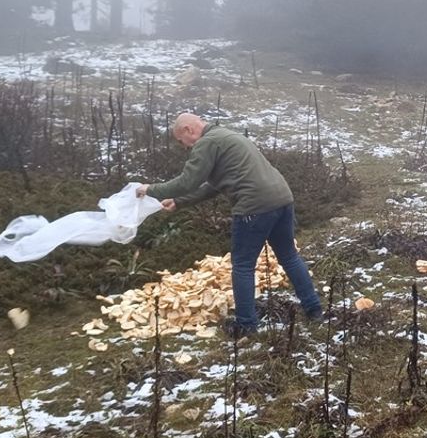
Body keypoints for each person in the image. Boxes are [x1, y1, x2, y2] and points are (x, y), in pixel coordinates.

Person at [137, 113, 323, 335]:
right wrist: (179, 202)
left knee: (243, 265)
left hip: (254, 206)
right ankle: (314, 310)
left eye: (180, 140)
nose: (183, 146)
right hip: (282, 199)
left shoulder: (206, 143)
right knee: (289, 256)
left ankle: (246, 325)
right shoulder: (225, 136)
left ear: (188, 129)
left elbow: (187, 182)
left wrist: (150, 189)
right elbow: (213, 185)